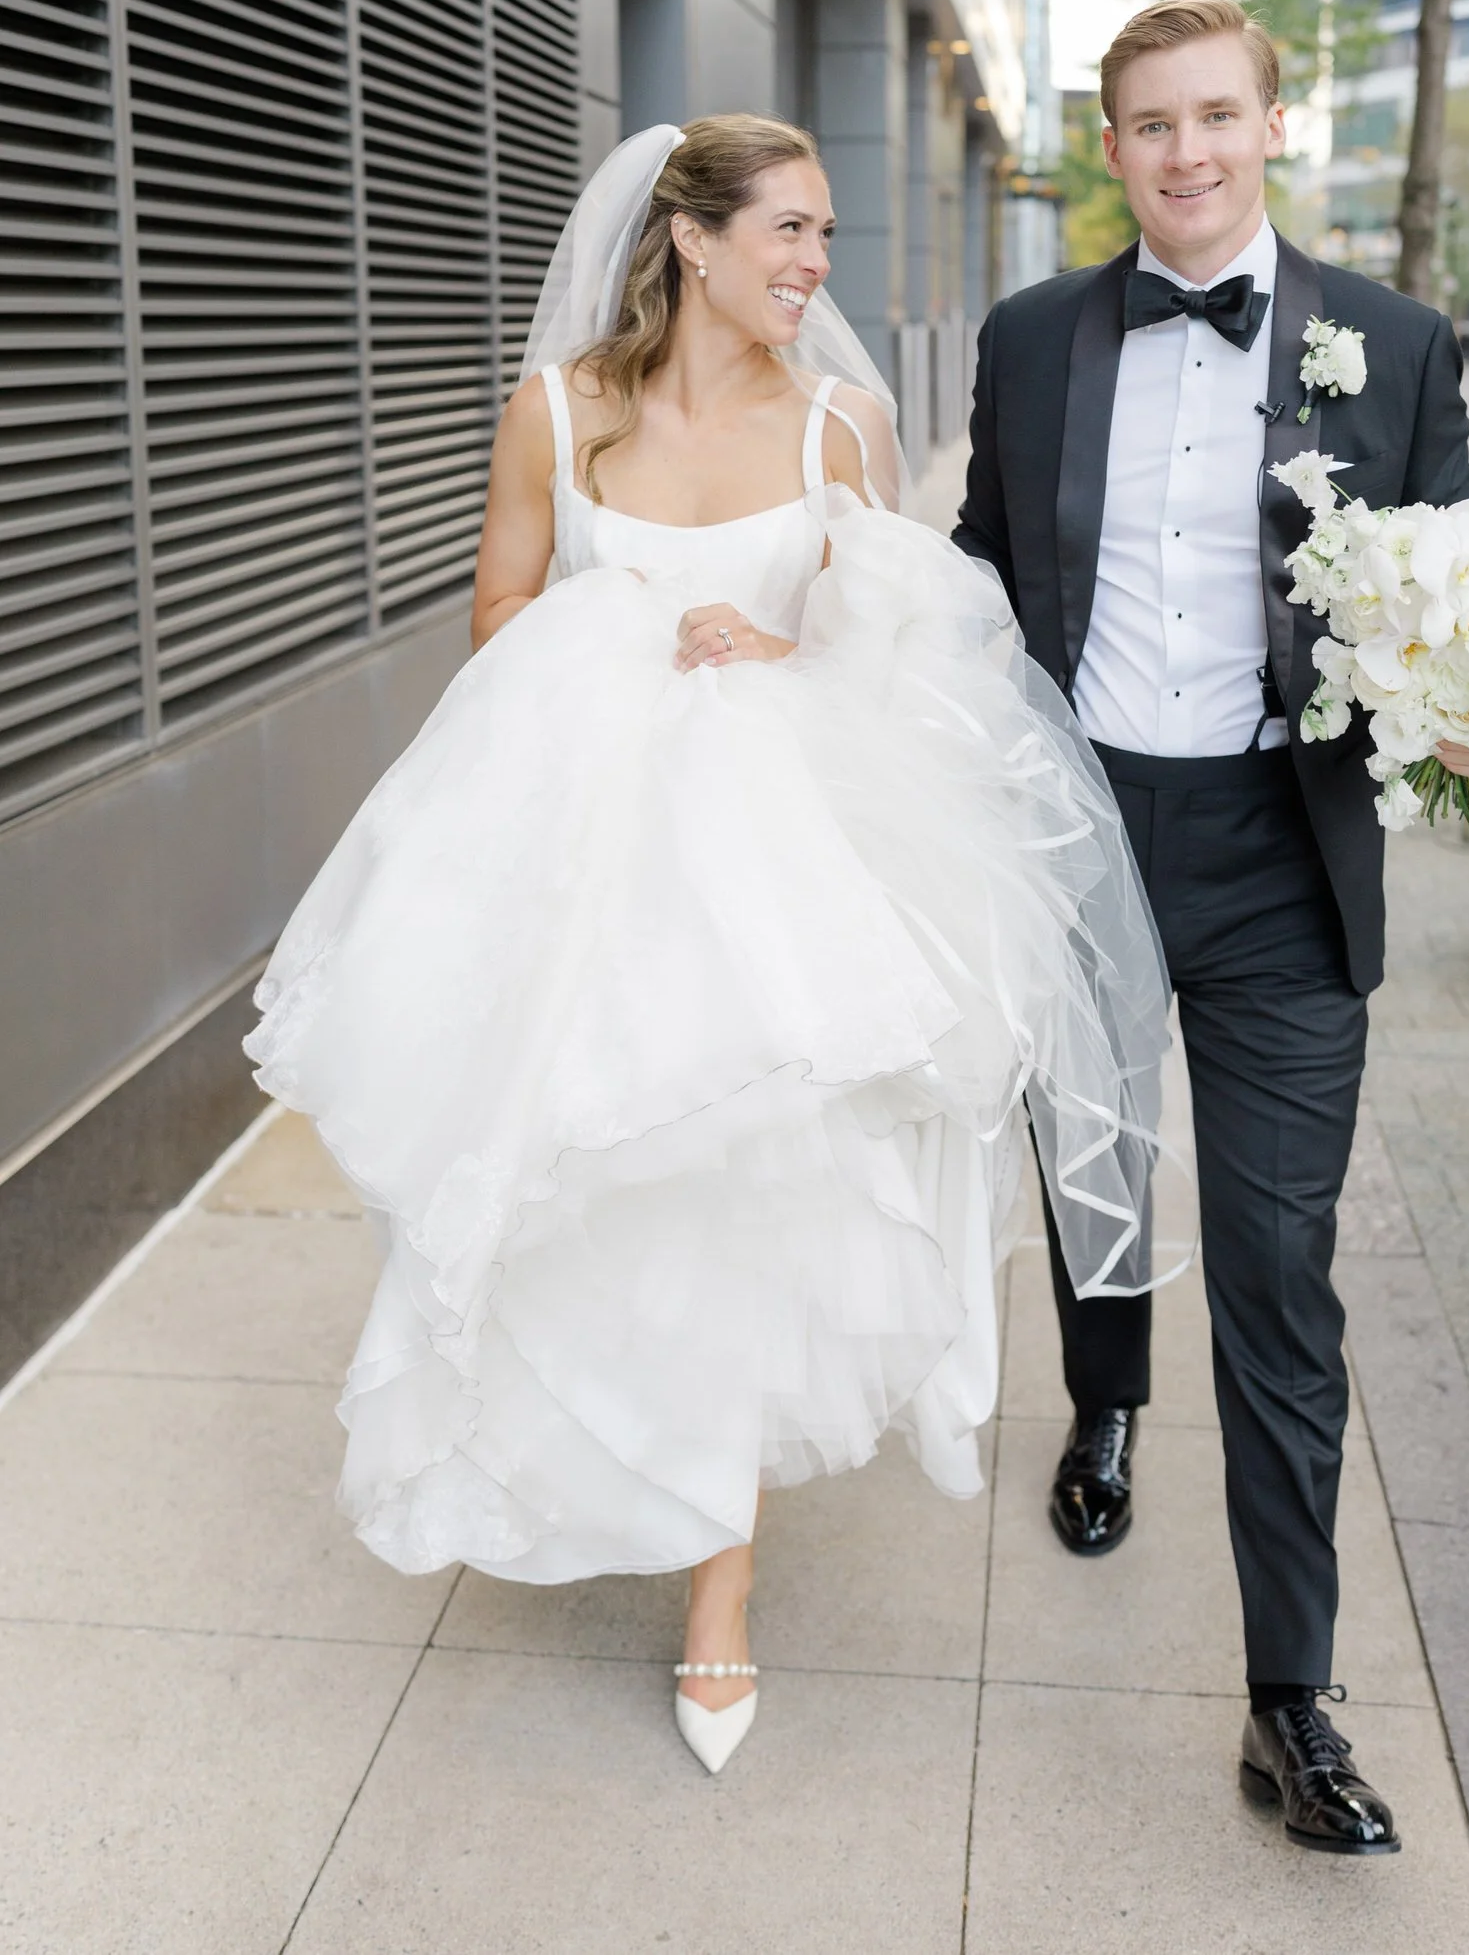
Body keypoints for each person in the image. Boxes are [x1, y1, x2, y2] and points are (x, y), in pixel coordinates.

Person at [247, 115, 1173, 1778]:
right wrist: (617, 630)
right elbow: (498, 613)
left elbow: (897, 658)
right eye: (788, 231)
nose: (816, 264)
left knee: (747, 1210)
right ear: (692, 239)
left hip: (765, 881)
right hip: (584, 869)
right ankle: (590, 1454)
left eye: (823, 234)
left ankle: (718, 1592)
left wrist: (775, 652)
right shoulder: (556, 413)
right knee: (579, 1198)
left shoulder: (839, 424)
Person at [954, 0, 1469, 1854]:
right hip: (1084, 832)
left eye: (1212, 116)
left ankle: (1290, 1701)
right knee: (1092, 1168)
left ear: (1272, 124)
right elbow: (978, 573)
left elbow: (1445, 582)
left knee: (1278, 1268)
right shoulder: (1029, 338)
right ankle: (1102, 1402)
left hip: (1281, 853)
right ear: (1109, 147)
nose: (1181, 152)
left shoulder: (1394, 342)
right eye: (1146, 123)